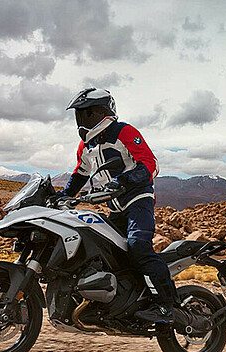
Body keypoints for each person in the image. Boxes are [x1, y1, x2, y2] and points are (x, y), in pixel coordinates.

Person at [54, 88, 177, 324]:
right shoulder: (85, 146)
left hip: (138, 201)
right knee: (103, 251)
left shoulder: (124, 132)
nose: (82, 119)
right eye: (79, 115)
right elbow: (80, 173)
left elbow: (150, 164)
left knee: (137, 246)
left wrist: (123, 181)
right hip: (115, 208)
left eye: (87, 113)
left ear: (103, 112)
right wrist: (62, 195)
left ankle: (166, 305)